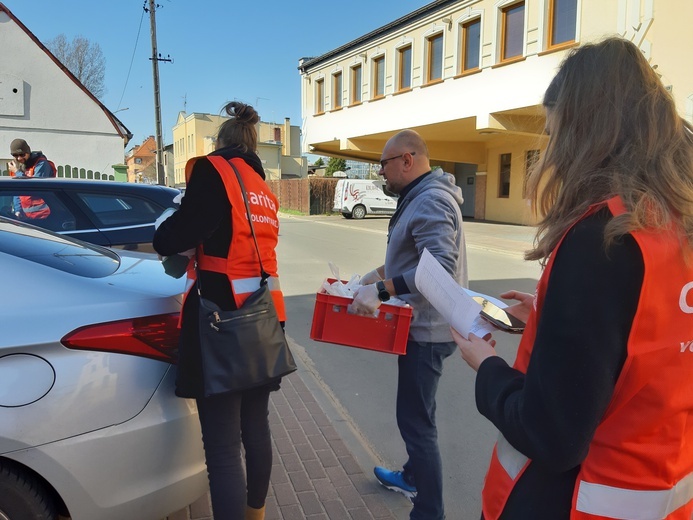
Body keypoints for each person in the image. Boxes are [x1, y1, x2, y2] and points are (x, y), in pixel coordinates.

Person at [452, 37, 693, 520]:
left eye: (556, 130)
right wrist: (550, 315)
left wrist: (488, 369)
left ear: (586, 130)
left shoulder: (604, 239)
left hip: (569, 501)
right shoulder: (677, 227)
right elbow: (644, 339)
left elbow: (551, 434)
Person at [153, 101, 285, 520]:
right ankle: (255, 514)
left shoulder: (214, 172)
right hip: (264, 320)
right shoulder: (262, 188)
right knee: (256, 428)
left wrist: (163, 232)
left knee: (224, 448)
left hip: (219, 319)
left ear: (221, 143)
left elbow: (182, 233)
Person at [350, 129, 468, 520]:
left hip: (428, 332)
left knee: (416, 424)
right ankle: (412, 476)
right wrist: (370, 278)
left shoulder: (431, 199)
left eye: (384, 164)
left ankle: (429, 511)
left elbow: (440, 269)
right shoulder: (418, 196)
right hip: (421, 326)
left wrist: (382, 290)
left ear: (407, 160)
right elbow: (411, 259)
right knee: (419, 415)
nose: (381, 172)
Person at [8, 138, 56, 219]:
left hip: (44, 216)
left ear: (28, 152)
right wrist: (18, 211)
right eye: (15, 155)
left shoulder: (41, 164)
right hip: (26, 217)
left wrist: (17, 172)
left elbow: (34, 187)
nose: (19, 158)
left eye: (22, 154)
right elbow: (17, 191)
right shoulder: (17, 167)